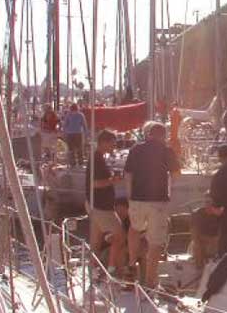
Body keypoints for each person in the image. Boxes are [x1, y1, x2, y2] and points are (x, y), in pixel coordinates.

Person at [124, 120, 181, 289]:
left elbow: (128, 175)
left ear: (149, 134)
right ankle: (150, 282)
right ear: (163, 136)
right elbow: (176, 175)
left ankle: (131, 264)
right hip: (158, 201)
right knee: (155, 242)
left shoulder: (136, 149)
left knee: (134, 229)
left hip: (137, 199)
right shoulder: (167, 151)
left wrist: (130, 197)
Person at [85, 129, 125, 272]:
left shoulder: (97, 158)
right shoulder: (96, 159)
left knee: (96, 240)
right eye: (112, 144)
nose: (114, 146)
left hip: (95, 204)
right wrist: (113, 180)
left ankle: (93, 269)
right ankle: (112, 268)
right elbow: (95, 183)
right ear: (103, 142)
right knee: (120, 236)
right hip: (101, 206)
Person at [61, 103, 88, 167]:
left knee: (73, 149)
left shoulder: (71, 115)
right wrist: (86, 133)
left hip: (73, 133)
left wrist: (64, 133)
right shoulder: (79, 115)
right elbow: (84, 125)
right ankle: (78, 163)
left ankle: (75, 163)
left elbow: (65, 125)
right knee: (77, 149)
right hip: (76, 133)